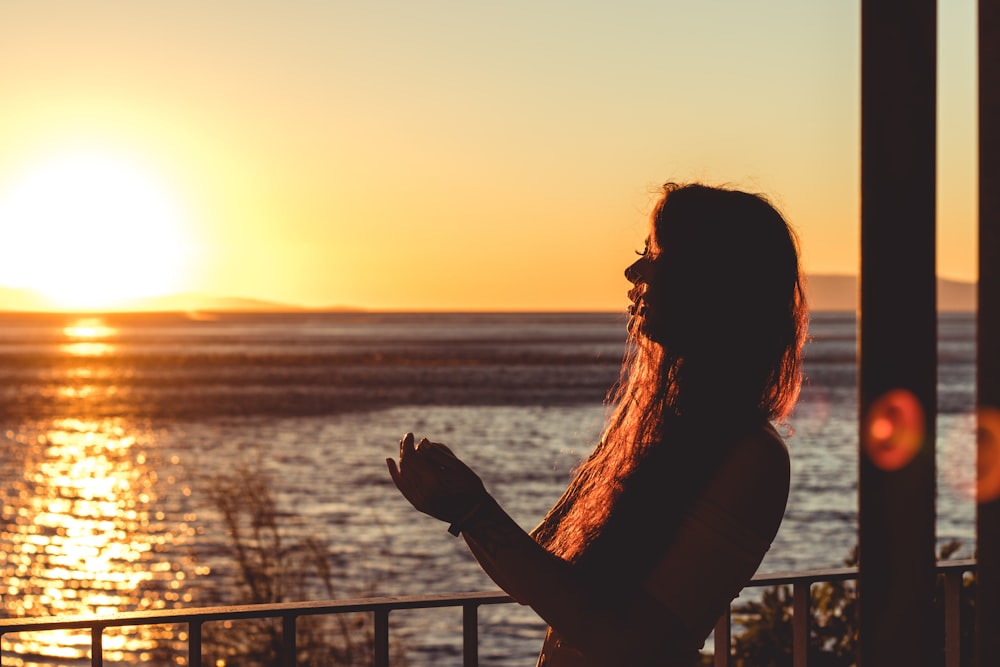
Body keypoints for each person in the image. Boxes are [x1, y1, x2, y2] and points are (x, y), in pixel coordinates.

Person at [386, 182, 808, 666]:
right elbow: (559, 591)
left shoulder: (751, 457)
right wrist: (463, 509)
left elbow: (628, 641)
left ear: (709, 281)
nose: (633, 271)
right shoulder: (674, 433)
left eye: (656, 253)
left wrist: (475, 512)